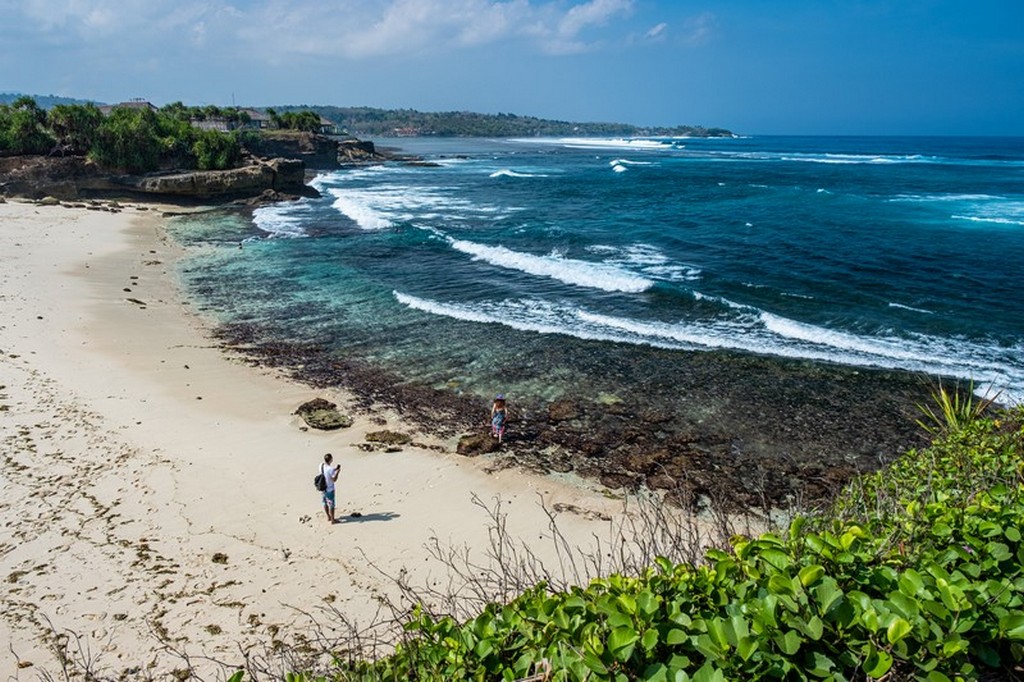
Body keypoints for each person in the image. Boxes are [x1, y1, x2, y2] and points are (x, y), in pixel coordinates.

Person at [319, 453, 341, 523]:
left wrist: (335, 469)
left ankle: (328, 516)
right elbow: (334, 479)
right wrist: (338, 472)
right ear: (331, 460)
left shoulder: (321, 466)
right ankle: (333, 519)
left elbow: (326, 472)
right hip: (330, 489)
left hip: (323, 488)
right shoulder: (330, 469)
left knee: (324, 502)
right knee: (331, 504)